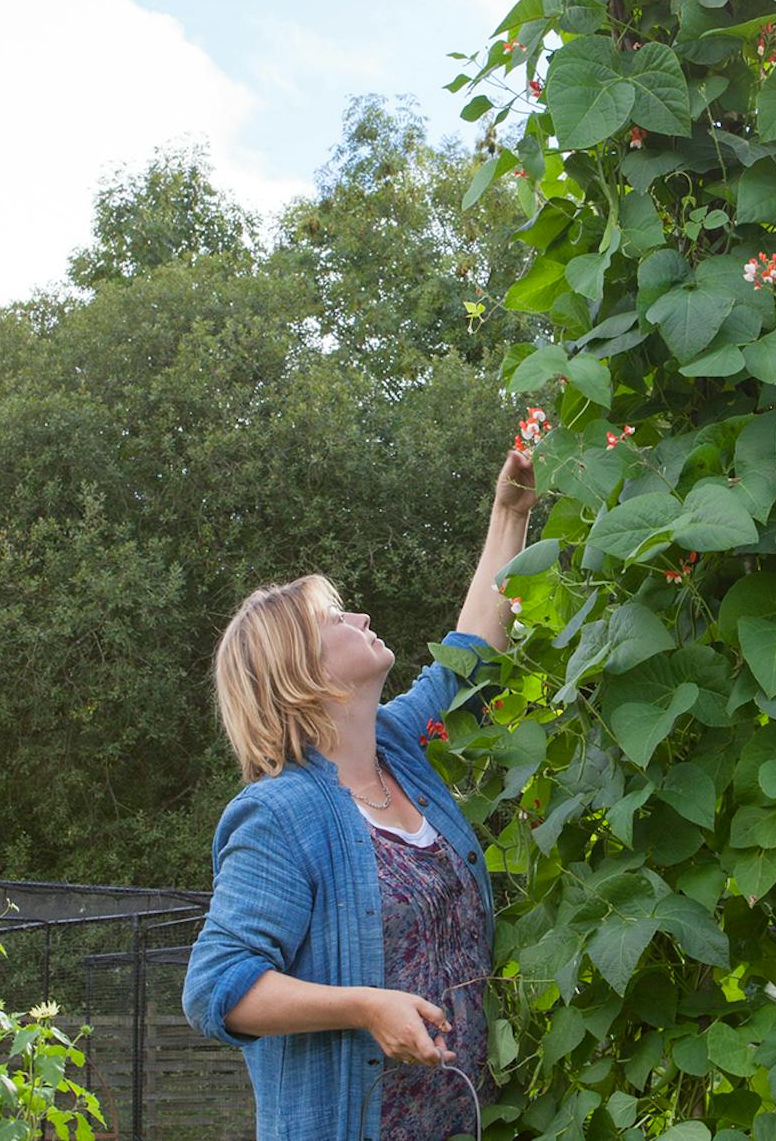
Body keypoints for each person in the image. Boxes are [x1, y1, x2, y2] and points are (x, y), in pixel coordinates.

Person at [182, 447, 537, 1141]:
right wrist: (365, 1006)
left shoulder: (400, 747)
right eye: (336, 619)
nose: (362, 617)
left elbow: (467, 659)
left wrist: (509, 514)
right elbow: (217, 985)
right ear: (299, 671)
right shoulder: (280, 815)